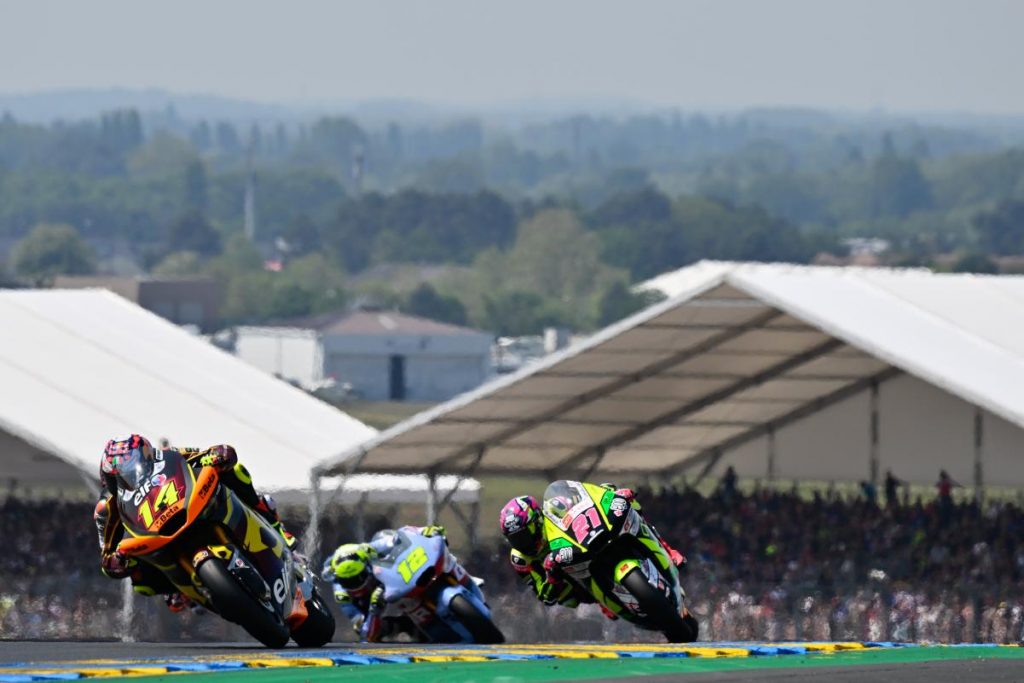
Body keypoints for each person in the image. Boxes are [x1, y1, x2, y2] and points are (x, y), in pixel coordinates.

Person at [93, 434, 296, 613]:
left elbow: (203, 455)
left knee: (236, 470)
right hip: (153, 538)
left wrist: (217, 454)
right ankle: (183, 589)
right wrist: (115, 562)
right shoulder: (106, 507)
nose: (129, 476)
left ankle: (274, 523)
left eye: (132, 467)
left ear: (147, 455)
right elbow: (106, 554)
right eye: (120, 475)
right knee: (142, 584)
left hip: (188, 507)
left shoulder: (166, 456)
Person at [322, 525, 448, 642]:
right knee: (368, 632)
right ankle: (408, 632)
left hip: (398, 583)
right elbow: (364, 632)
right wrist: (374, 609)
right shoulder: (342, 595)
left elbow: (400, 537)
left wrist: (425, 531)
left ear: (367, 566)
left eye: (359, 577)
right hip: (376, 609)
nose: (354, 584)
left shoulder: (369, 550)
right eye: (347, 581)